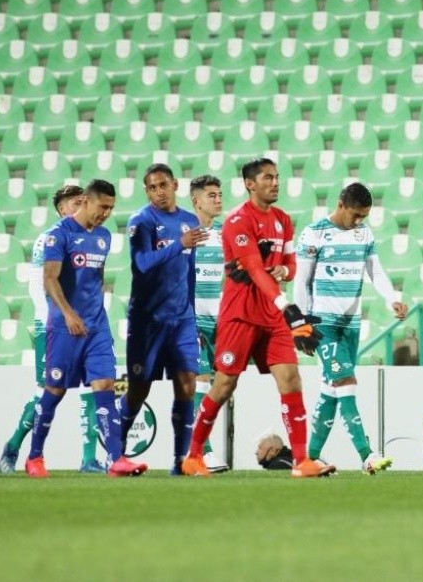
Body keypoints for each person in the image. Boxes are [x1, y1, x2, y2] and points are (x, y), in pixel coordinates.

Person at [179, 158, 334, 479]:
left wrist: (283, 271)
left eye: (277, 177)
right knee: (223, 385)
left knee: (291, 379)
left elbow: (290, 265)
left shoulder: (283, 220)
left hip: (272, 315)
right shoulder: (238, 220)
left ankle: (302, 461)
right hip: (240, 315)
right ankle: (193, 455)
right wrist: (288, 307)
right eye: (268, 178)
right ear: (250, 184)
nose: (275, 183)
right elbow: (250, 267)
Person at [25, 179, 146, 478]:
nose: (106, 213)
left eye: (111, 208)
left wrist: (96, 313)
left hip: (96, 327)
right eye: (103, 207)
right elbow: (50, 279)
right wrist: (68, 314)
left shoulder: (104, 236)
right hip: (65, 327)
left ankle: (116, 459)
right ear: (86, 202)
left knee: (104, 385)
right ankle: (35, 456)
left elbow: (96, 278)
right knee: (54, 391)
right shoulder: (58, 235)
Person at [295, 182, 405, 474]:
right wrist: (301, 322)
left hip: (351, 324)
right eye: (355, 215)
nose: (359, 221)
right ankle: (367, 455)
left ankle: (310, 457)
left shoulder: (363, 233)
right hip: (323, 324)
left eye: (363, 217)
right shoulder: (314, 233)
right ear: (341, 204)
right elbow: (301, 282)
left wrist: (393, 297)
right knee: (346, 382)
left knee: (331, 389)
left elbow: (375, 271)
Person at [0, 185, 104, 474]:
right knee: (46, 392)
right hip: (55, 328)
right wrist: (58, 320)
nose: (81, 203)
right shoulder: (50, 238)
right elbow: (38, 286)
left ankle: (89, 459)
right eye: (74, 202)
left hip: (85, 328)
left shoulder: (91, 238)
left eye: (83, 199)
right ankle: (14, 445)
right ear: (62, 210)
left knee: (92, 390)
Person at [120, 164, 209, 474]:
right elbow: (141, 265)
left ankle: (180, 462)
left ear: (175, 185)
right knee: (138, 389)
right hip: (148, 321)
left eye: (163, 185)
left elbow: (189, 273)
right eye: (152, 187)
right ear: (147, 191)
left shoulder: (189, 220)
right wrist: (178, 245)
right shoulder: (141, 221)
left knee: (186, 385)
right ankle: (116, 455)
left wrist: (193, 317)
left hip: (182, 319)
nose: (158, 191)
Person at [188, 174, 228, 472]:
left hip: (218, 320)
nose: (218, 199)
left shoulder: (225, 235)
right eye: (211, 195)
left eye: (219, 194)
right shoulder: (183, 232)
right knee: (201, 381)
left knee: (212, 385)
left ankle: (191, 451)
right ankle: (204, 452)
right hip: (189, 319)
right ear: (196, 200)